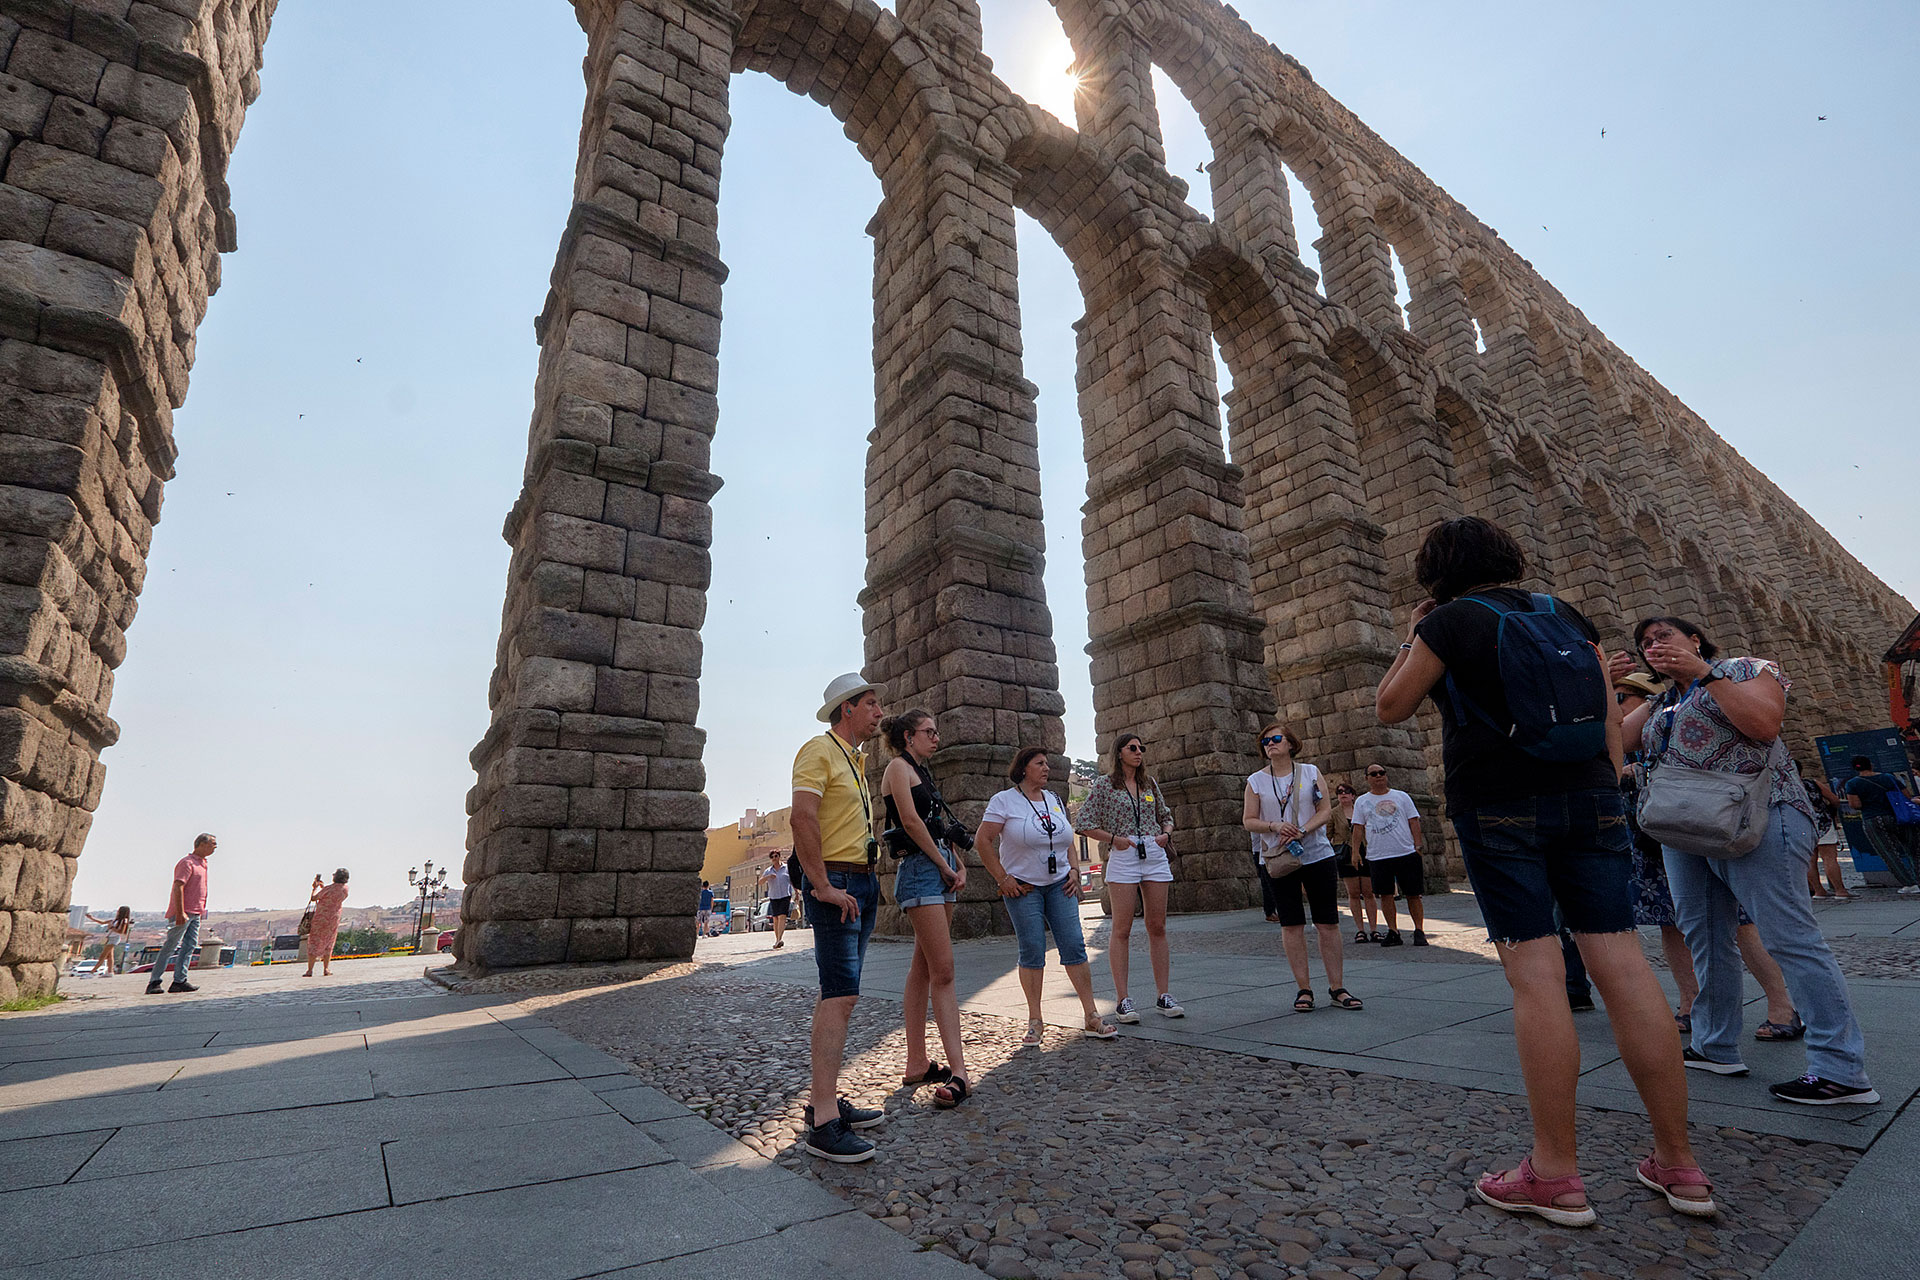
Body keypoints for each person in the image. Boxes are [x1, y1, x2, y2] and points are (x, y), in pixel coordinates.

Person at [1378, 517, 1713, 1225]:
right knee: (1624, 967)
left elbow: (1391, 705)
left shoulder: (1453, 623)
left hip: (1500, 806)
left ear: (1437, 574)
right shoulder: (1563, 613)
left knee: (1535, 975)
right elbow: (1600, 714)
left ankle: (1555, 1173)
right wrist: (1611, 788)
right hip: (1591, 796)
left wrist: (1417, 634)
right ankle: (1679, 1165)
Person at [1626, 615, 1877, 1106]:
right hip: (1685, 828)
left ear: (1694, 639)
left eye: (1664, 637)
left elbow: (1764, 724)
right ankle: (1714, 1045)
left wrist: (1705, 672)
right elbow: (1612, 743)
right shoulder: (1661, 701)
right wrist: (1600, 681)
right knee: (1705, 936)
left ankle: (1841, 1070)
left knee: (1790, 936)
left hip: (1761, 815)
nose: (1653, 645)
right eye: (1645, 643)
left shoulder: (1745, 668)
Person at [791, 672, 889, 1162]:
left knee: (843, 997)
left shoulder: (856, 759)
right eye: (871, 704)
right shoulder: (818, 750)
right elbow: (802, 818)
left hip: (862, 883)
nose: (879, 712)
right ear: (846, 708)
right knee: (840, 995)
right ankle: (824, 1123)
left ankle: (821, 1103)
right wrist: (822, 885)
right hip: (838, 884)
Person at [977, 746, 1118, 1048]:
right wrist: (1002, 877)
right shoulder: (1004, 801)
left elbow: (1066, 837)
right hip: (1023, 888)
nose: (1046, 769)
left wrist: (1075, 871)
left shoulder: (1054, 799)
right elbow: (983, 841)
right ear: (1024, 768)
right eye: (1040, 764)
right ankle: (1035, 1020)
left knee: (1074, 946)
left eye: (1047, 764)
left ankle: (1091, 1016)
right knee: (1032, 950)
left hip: (1059, 885)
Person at [879, 709, 972, 1108]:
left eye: (936, 732)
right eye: (928, 732)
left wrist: (959, 863)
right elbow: (913, 824)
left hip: (941, 868)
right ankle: (960, 1072)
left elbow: (936, 824)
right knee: (944, 971)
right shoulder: (898, 769)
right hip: (920, 870)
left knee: (923, 966)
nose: (936, 738)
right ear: (907, 736)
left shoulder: (923, 771)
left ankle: (917, 1061)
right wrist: (941, 864)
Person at [1242, 724, 1360, 1011]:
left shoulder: (1310, 772)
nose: (1270, 744)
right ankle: (1304, 989)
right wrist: (1274, 825)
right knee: (1291, 923)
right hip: (1279, 857)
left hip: (1316, 854)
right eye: (1265, 741)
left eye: (1276, 739)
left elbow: (1324, 810)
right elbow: (1249, 820)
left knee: (1327, 922)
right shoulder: (1256, 781)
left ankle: (1337, 987)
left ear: (1291, 744)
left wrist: (1302, 830)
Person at [1076, 733, 1183, 1022]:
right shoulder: (1104, 786)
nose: (1139, 752)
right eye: (1132, 748)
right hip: (1124, 852)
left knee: (1157, 926)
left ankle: (1164, 995)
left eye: (1141, 748)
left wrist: (1166, 834)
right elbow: (1083, 822)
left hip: (1153, 850)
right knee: (1121, 928)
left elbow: (1166, 815)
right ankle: (1123, 999)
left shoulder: (1150, 784)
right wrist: (1114, 839)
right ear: (1119, 752)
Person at [1350, 766, 1427, 946]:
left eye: (1382, 773)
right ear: (1367, 778)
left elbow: (1413, 820)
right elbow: (1358, 827)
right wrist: (1355, 852)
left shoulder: (1401, 796)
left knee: (1413, 894)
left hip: (1405, 852)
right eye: (1374, 774)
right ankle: (1393, 931)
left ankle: (1419, 930)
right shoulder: (1362, 801)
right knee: (1385, 895)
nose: (1379, 777)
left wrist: (1418, 845)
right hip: (1378, 855)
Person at [147, 834, 216, 995]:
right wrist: (180, 912)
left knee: (189, 946)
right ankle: (154, 981)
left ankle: (179, 981)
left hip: (196, 912)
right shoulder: (187, 863)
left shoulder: (203, 864)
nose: (214, 847)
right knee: (170, 946)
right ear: (201, 844)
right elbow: (178, 886)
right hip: (184, 912)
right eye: (212, 844)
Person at [1843, 756, 1920, 892]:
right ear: (1871, 765)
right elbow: (1906, 796)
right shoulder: (1888, 777)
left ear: (1855, 768)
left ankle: (1909, 884)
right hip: (1899, 817)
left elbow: (1855, 804)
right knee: (1913, 850)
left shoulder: (1853, 783)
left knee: (1888, 853)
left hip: (1873, 819)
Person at [1330, 781, 1379, 943]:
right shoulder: (1333, 813)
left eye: (1346, 791)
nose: (1343, 794)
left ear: (1353, 795)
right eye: (1339, 791)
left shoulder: (1362, 809)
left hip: (1364, 851)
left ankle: (1374, 929)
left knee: (1368, 892)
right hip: (1344, 854)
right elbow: (1327, 835)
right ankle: (1360, 930)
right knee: (1353, 893)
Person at [1799, 768, 1850, 901]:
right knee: (1829, 858)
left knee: (1810, 860)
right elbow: (1834, 800)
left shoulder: (1784, 787)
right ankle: (1840, 890)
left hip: (1801, 825)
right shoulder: (1812, 783)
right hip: (1822, 822)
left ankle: (1819, 891)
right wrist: (1830, 812)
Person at [303, 869, 349, 977]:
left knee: (315, 941)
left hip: (321, 918)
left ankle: (310, 970)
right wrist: (323, 888)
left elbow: (314, 898)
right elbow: (332, 895)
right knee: (329, 941)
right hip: (333, 918)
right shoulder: (345, 889)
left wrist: (315, 888)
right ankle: (326, 968)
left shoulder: (329, 889)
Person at [757, 851, 794, 947]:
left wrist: (796, 893)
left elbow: (792, 881)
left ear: (779, 857)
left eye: (776, 856)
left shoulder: (786, 868)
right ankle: (777, 939)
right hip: (774, 896)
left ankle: (779, 939)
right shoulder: (768, 871)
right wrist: (768, 877)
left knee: (782, 916)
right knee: (775, 919)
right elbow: (760, 882)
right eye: (772, 857)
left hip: (785, 895)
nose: (774, 858)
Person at [84, 907, 132, 976]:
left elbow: (121, 931)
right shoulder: (115, 920)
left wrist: (112, 928)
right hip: (110, 937)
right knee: (110, 956)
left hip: (114, 938)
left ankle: (92, 972)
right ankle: (110, 971)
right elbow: (102, 922)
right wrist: (91, 918)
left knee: (103, 956)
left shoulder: (124, 921)